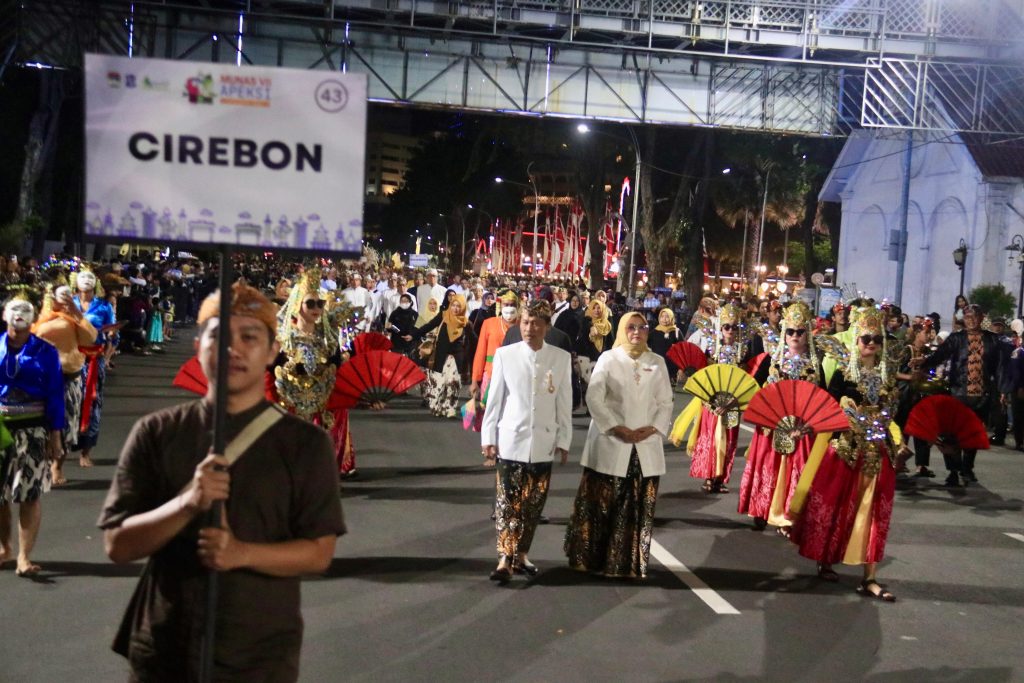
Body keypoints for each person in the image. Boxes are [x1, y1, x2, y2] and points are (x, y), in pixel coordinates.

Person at [99, 283, 345, 681]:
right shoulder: (157, 432)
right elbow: (117, 545)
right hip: (164, 648)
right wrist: (188, 502)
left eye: (250, 337)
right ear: (199, 346)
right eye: (220, 336)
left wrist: (242, 553)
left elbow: (318, 553)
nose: (234, 349)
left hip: (258, 652)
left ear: (272, 351)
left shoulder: (305, 445)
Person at [789, 307, 899, 601]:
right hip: (847, 449)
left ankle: (870, 577)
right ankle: (825, 558)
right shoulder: (843, 372)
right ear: (856, 340)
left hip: (878, 451)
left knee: (875, 513)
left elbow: (894, 408)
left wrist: (884, 424)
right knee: (836, 505)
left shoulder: (887, 374)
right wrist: (818, 424)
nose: (871, 343)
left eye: (877, 338)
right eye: (865, 338)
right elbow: (829, 408)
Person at [564, 312, 673, 578]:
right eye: (631, 327)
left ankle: (626, 564)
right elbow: (595, 397)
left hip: (644, 445)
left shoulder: (656, 361)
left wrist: (651, 428)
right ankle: (589, 560)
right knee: (600, 504)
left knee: (635, 506)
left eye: (642, 327)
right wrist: (616, 427)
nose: (637, 332)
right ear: (623, 329)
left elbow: (665, 402)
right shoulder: (609, 359)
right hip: (610, 442)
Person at [481, 300, 572, 583]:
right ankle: (504, 559)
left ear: (546, 327)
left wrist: (564, 439)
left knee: (533, 504)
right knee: (508, 502)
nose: (529, 328)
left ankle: (521, 554)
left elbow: (564, 400)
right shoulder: (506, 355)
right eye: (524, 323)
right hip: (511, 439)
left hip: (543, 441)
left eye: (535, 323)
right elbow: (493, 400)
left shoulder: (560, 357)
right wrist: (489, 436)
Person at [737, 301, 821, 533]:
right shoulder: (771, 360)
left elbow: (819, 396)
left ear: (807, 334)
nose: (795, 336)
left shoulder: (816, 364)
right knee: (768, 468)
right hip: (772, 426)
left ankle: (788, 515)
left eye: (800, 332)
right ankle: (762, 509)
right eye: (791, 331)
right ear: (784, 333)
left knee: (797, 471)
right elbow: (757, 389)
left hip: (801, 428)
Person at [0, 295, 64, 577]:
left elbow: (55, 395)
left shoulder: (46, 351)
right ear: (4, 315)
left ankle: (24, 558)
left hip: (33, 428)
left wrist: (56, 436)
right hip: (1, 426)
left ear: (34, 318)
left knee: (29, 494)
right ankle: (4, 548)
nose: (18, 317)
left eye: (25, 312)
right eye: (13, 311)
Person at [272, 270, 358, 478]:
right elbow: (271, 372)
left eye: (320, 304)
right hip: (292, 407)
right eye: (310, 303)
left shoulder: (329, 338)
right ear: (297, 305)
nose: (316, 308)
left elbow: (338, 371)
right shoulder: (284, 338)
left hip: (322, 407)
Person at [917, 303, 1011, 486]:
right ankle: (953, 470)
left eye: (975, 317)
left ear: (982, 318)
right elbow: (940, 355)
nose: (971, 320)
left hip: (981, 394)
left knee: (972, 434)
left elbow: (999, 367)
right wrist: (923, 363)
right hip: (958, 392)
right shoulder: (956, 338)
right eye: (967, 317)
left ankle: (967, 468)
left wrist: (1001, 390)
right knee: (951, 434)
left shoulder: (993, 340)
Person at [31, 284, 97, 487]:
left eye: (69, 296)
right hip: (41, 379)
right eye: (61, 297)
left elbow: (91, 338)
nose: (65, 300)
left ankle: (57, 467)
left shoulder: (76, 319)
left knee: (67, 424)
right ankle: (40, 465)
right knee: (41, 425)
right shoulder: (41, 316)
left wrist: (77, 314)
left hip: (68, 377)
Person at [685, 303, 753, 493]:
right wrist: (710, 401)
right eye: (726, 327)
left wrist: (733, 402)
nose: (730, 331)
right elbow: (706, 378)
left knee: (729, 442)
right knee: (711, 440)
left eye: (735, 327)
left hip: (732, 405)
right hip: (712, 404)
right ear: (720, 328)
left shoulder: (743, 353)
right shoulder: (712, 351)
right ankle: (708, 476)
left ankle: (720, 479)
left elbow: (745, 382)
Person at [71, 266, 116, 469]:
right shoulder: (67, 304)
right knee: (67, 402)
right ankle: (59, 453)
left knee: (93, 402)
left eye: (90, 280)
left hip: (94, 360)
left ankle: (86, 451)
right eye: (83, 279)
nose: (86, 284)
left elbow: (114, 336)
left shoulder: (104, 306)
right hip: (70, 360)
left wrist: (106, 356)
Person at [416, 293, 476, 418]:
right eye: (453, 305)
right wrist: (413, 334)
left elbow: (475, 340)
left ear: (463, 308)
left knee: (453, 383)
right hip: (441, 356)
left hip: (456, 358)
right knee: (439, 383)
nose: (455, 308)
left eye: (458, 306)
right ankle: (438, 407)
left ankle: (450, 409)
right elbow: (429, 326)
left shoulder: (466, 323)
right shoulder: (443, 316)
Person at [470, 290, 520, 406]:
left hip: (514, 376)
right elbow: (480, 353)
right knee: (488, 414)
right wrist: (474, 380)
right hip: (491, 374)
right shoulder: (489, 323)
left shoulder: (522, 326)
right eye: (506, 304)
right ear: (500, 305)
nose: (509, 308)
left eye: (512, 305)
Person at [648, 307, 684, 384]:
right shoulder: (654, 331)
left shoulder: (676, 331)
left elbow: (682, 348)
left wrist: (681, 367)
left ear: (671, 318)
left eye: (667, 316)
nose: (664, 319)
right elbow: (646, 344)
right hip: (656, 364)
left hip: (671, 365)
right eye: (662, 316)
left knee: (669, 387)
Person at [386, 292, 419, 356]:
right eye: (402, 301)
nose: (404, 303)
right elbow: (388, 326)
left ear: (410, 302)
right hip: (397, 343)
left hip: (411, 344)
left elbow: (420, 328)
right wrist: (397, 330)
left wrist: (412, 335)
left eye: (406, 301)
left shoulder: (415, 314)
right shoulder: (394, 313)